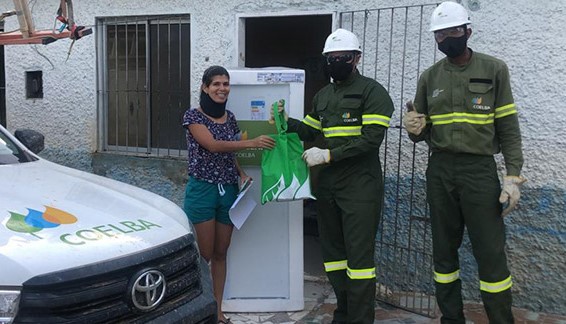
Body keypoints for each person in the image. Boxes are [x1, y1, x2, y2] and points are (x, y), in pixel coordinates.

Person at [403, 2, 525, 323]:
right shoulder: (429, 78)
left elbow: (509, 129)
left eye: (453, 31)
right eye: (440, 34)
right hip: (440, 170)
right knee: (443, 254)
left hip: (479, 172)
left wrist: (512, 176)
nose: (446, 38)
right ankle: (451, 319)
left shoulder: (494, 69)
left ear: (468, 31)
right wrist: (414, 127)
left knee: (490, 255)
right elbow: (421, 130)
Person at [273, 28, 394, 323]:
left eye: (343, 57)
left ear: (356, 59)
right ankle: (344, 313)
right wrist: (286, 122)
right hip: (328, 187)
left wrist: (328, 155)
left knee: (360, 260)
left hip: (360, 187)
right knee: (334, 257)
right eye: (331, 57)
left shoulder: (373, 92)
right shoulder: (324, 95)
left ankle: (361, 318)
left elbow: (371, 140)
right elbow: (312, 131)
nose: (336, 61)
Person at [182, 65, 275, 324]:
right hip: (202, 189)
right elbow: (212, 145)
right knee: (204, 254)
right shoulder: (193, 117)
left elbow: (228, 152)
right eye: (216, 84)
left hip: (229, 190)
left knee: (222, 252)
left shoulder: (231, 117)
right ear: (205, 87)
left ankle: (218, 310)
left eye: (226, 84)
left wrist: (242, 173)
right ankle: (196, 308)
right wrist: (252, 143)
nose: (222, 89)